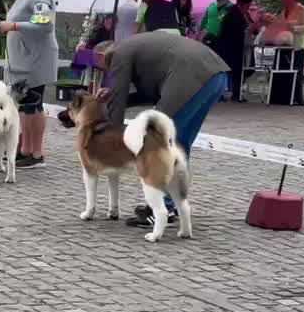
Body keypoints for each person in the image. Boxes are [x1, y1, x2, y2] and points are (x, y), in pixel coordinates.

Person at [92, 32, 228, 227]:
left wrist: (112, 138)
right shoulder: (136, 48)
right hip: (215, 76)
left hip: (190, 77)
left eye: (104, 69)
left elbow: (118, 103)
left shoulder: (119, 54)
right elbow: (149, 93)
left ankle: (159, 210)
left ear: (101, 57)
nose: (109, 72)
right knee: (179, 144)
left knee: (156, 142)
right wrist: (113, 94)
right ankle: (170, 205)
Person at [0, 0, 57, 170]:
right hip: (23, 62)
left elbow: (44, 23)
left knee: (34, 105)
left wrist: (12, 26)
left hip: (35, 61)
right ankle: (25, 150)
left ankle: (37, 153)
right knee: (24, 106)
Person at [270, 0, 304, 105]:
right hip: (283, 45)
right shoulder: (283, 11)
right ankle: (280, 97)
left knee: (296, 72)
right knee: (280, 69)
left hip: (297, 46)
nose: (282, 1)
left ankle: (297, 98)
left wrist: (293, 28)